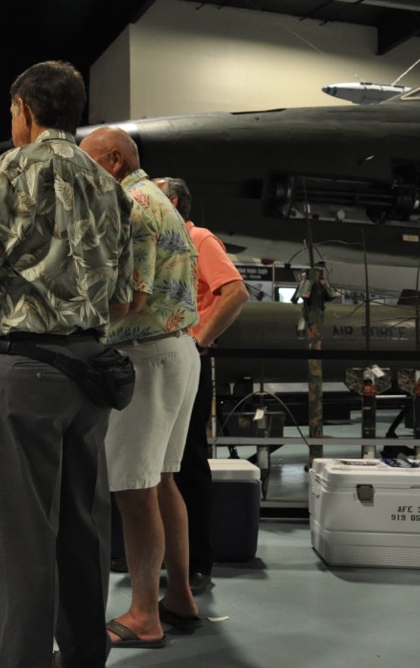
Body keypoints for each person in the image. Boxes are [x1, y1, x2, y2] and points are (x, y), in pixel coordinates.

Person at [0, 60, 134, 668]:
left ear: (25, 110)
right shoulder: (109, 184)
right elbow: (123, 297)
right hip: (90, 371)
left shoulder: (13, 168)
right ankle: (85, 656)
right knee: (83, 525)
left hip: (24, 371)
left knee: (21, 534)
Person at [79, 126, 201, 649]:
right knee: (163, 480)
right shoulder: (159, 197)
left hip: (144, 355)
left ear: (113, 160)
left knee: (133, 489)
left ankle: (144, 615)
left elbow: (129, 299)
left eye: (87, 163)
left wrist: (70, 317)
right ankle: (179, 597)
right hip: (178, 348)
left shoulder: (129, 204)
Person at [155, 176, 249, 595]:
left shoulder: (199, 239)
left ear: (174, 202)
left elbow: (235, 292)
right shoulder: (161, 243)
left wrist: (200, 340)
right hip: (162, 362)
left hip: (187, 360)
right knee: (158, 464)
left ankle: (197, 561)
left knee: (187, 462)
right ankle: (166, 554)